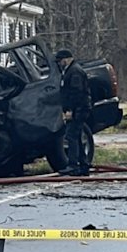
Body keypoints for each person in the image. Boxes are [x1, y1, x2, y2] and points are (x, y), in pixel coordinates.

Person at [55, 48, 92, 176]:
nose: (59, 63)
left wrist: (70, 110)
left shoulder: (74, 72)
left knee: (71, 136)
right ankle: (83, 165)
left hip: (78, 109)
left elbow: (76, 93)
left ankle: (73, 165)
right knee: (76, 136)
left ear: (66, 59)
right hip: (78, 109)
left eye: (60, 61)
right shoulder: (70, 71)